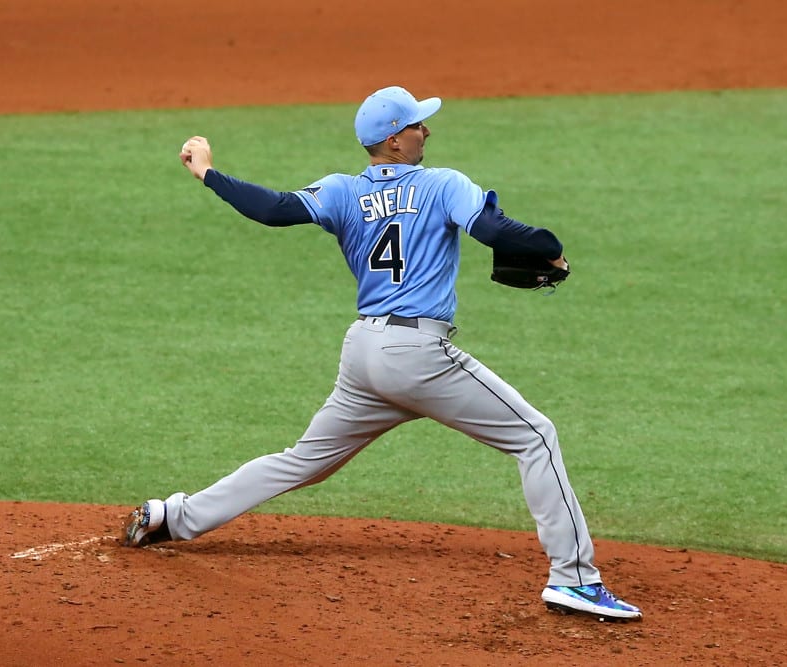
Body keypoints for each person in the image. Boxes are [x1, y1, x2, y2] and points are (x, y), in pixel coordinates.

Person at [121, 85, 642, 621]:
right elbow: (492, 229)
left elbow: (274, 210)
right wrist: (550, 245)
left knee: (302, 461)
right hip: (417, 354)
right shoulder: (443, 184)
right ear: (394, 141)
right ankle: (574, 580)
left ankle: (172, 516)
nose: (427, 130)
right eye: (417, 124)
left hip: (365, 354)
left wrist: (208, 172)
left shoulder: (342, 191)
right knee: (536, 437)